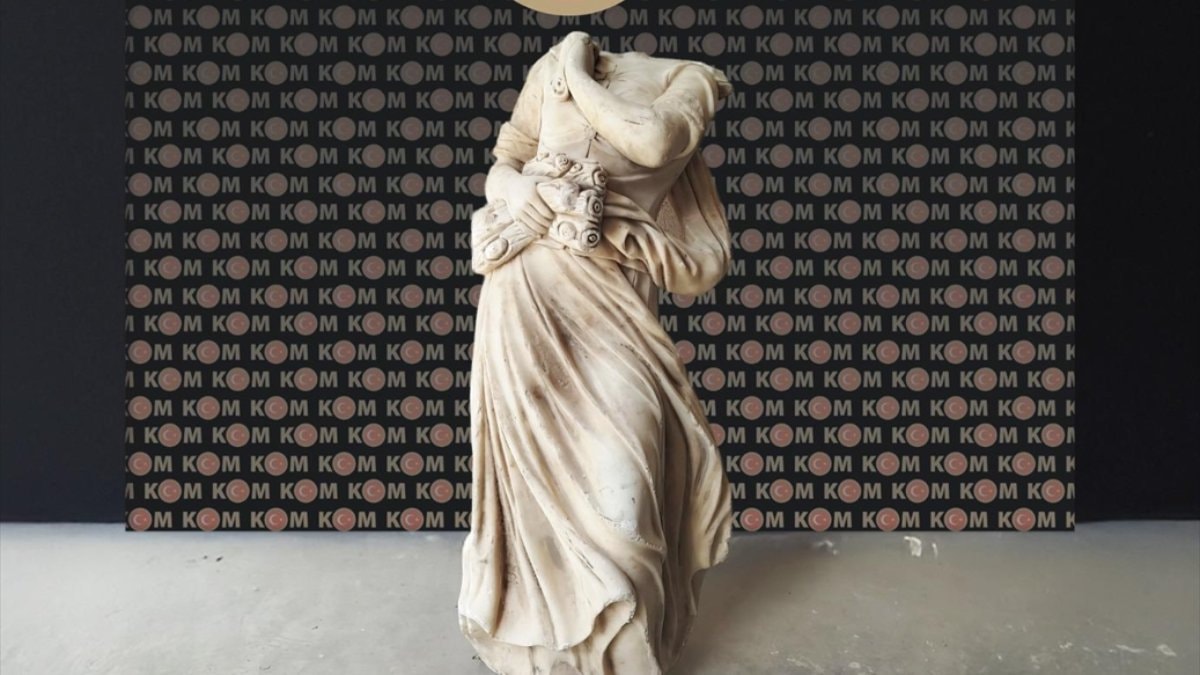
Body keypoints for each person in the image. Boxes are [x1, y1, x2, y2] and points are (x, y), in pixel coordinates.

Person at [458, 31, 735, 675]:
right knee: (529, 479)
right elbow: (507, 161)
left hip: (612, 300)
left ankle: (625, 649)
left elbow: (654, 142)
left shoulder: (688, 78)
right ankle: (549, 643)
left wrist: (577, 71)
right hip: (523, 290)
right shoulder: (547, 68)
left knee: (624, 482)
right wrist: (516, 194)